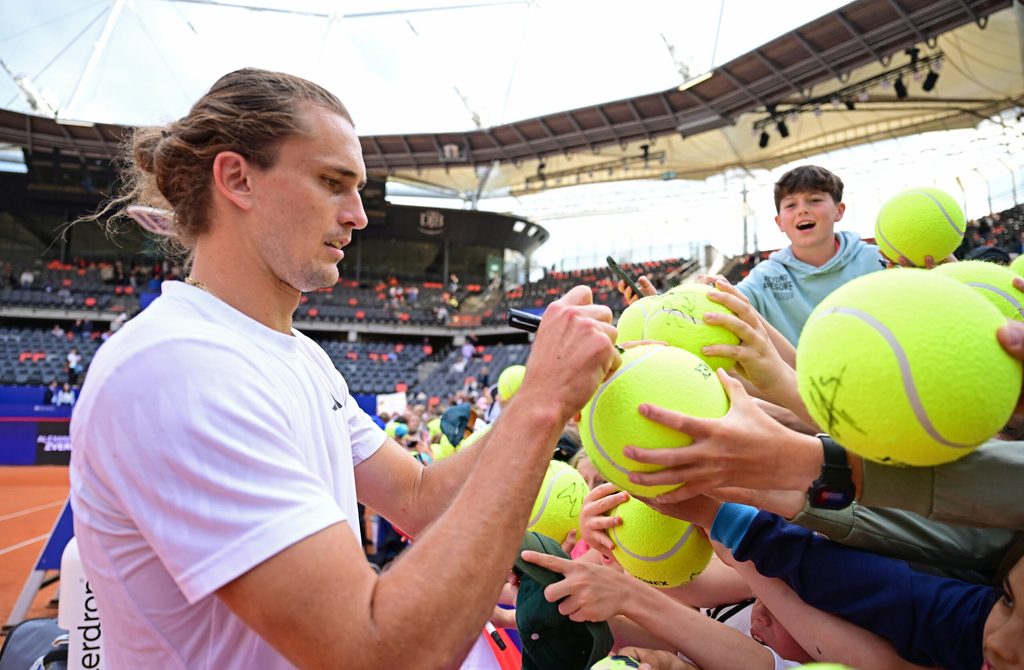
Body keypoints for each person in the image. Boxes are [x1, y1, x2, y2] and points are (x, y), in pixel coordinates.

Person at [69, 68, 620, 669]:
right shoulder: (175, 369)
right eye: (333, 183)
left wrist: (542, 395)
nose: (358, 214)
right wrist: (541, 405)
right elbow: (373, 651)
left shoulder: (299, 354)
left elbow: (419, 497)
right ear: (236, 178)